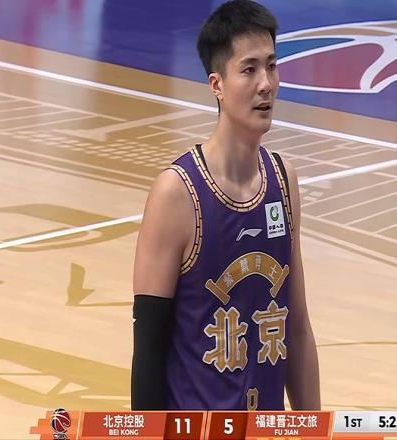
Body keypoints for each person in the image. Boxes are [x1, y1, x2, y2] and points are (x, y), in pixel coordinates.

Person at [131, 0, 320, 410]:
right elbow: (148, 346)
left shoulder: (283, 180)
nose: (266, 84)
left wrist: (313, 428)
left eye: (272, 65)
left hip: (267, 432)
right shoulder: (176, 193)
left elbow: (297, 328)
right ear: (216, 84)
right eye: (249, 69)